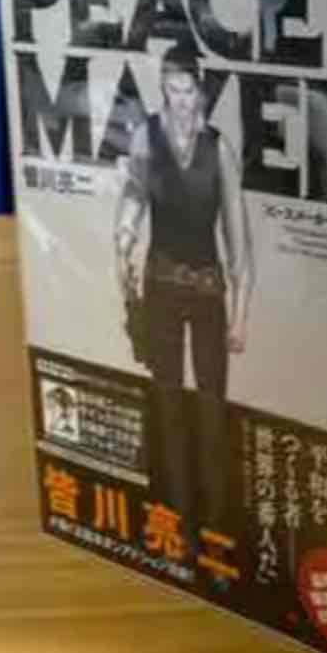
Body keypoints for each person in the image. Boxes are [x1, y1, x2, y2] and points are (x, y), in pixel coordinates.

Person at [114, 40, 253, 554]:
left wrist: (240, 316)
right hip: (160, 283)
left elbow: (239, 240)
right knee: (167, 399)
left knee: (212, 402)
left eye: (188, 90)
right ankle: (174, 513)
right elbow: (133, 193)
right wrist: (123, 236)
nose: (181, 100)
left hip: (208, 286)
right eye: (172, 90)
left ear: (200, 91)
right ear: (163, 91)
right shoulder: (146, 138)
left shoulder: (220, 150)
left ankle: (215, 520)